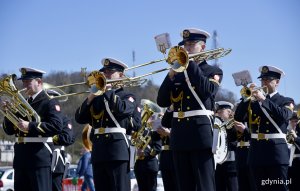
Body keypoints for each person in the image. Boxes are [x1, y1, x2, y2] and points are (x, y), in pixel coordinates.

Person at [157, 28, 223, 191]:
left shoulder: (213, 71)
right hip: (179, 135)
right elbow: (162, 100)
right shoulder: (177, 73)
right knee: (183, 186)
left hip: (201, 135)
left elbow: (207, 90)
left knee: (204, 185)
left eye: (192, 44)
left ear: (203, 47)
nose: (187, 48)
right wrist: (170, 76)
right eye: (185, 44)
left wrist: (190, 63)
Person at [75, 58, 141, 191]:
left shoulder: (127, 95)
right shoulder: (96, 98)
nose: (106, 75)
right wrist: (90, 97)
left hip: (117, 150)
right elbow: (80, 118)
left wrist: (109, 91)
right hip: (99, 150)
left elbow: (122, 109)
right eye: (104, 73)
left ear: (121, 76)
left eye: (110, 72)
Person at [2, 67, 63, 191]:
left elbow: (56, 126)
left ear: (39, 82)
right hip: (20, 158)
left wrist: (30, 126)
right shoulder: (20, 103)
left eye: (28, 81)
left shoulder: (49, 102)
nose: (24, 85)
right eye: (23, 82)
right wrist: (7, 113)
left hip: (39, 158)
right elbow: (9, 130)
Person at [234, 65, 293, 191]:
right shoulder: (253, 102)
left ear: (277, 82)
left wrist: (263, 99)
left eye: (268, 80)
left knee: (279, 188)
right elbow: (238, 117)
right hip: (256, 153)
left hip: (276, 154)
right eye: (262, 80)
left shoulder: (285, 101)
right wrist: (245, 99)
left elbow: (284, 116)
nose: (264, 82)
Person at [47, 90, 76, 191]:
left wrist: (50, 138)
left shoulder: (64, 119)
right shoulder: (43, 118)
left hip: (56, 161)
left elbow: (68, 138)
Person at [134, 110, 162, 191]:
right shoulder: (138, 131)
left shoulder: (154, 132)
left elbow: (157, 148)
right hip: (139, 165)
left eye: (150, 117)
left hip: (150, 165)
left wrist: (145, 153)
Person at [214, 101, 238, 191]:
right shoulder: (216, 124)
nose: (218, 113)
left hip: (231, 162)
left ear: (229, 112)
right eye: (217, 111)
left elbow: (234, 138)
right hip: (218, 162)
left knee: (233, 187)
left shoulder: (234, 123)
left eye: (221, 111)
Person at [157, 106, 178, 191]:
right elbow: (155, 139)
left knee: (177, 186)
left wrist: (169, 134)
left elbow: (182, 136)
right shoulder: (166, 117)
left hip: (175, 154)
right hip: (165, 156)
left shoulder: (177, 116)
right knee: (167, 187)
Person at [287, 111, 300, 191]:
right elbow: (288, 145)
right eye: (292, 121)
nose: (294, 123)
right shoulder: (289, 131)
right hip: (291, 164)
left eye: (296, 121)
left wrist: (296, 137)